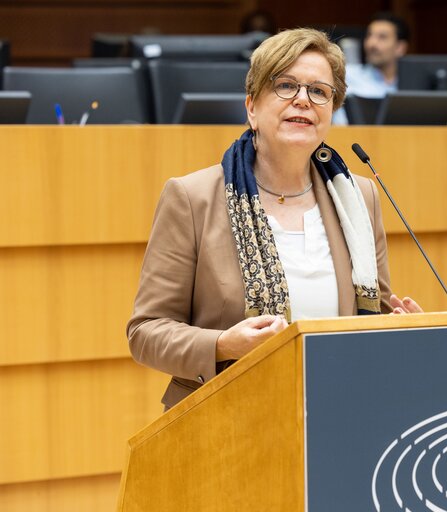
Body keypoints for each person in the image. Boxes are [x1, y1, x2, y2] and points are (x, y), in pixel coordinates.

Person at [127, 28, 421, 410]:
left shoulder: (357, 197)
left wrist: (404, 330)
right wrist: (222, 345)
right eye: (286, 85)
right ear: (252, 107)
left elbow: (373, 315)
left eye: (319, 91)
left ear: (332, 109)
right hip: (224, 421)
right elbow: (146, 332)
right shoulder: (192, 197)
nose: (303, 100)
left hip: (338, 413)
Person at [333, 12, 410, 124]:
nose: (371, 44)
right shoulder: (345, 75)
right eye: (369, 35)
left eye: (382, 37)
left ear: (400, 48)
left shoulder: (411, 86)